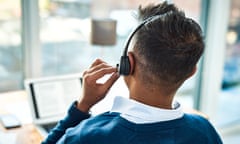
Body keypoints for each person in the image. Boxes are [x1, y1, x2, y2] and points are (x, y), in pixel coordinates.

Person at [42, 2, 223, 144]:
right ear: (191, 72)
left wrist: (82, 107)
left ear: (128, 63)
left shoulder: (86, 135)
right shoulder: (204, 131)